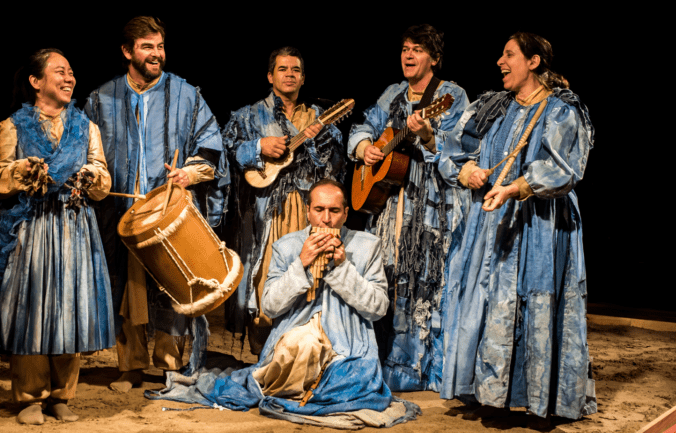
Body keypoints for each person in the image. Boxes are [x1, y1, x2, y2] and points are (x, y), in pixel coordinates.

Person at [146, 180, 420, 428]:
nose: (326, 220)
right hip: (297, 330)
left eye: (334, 211)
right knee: (297, 347)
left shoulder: (367, 245)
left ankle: (306, 382)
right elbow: (271, 306)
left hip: (347, 338)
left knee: (351, 379)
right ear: (307, 211)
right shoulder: (287, 246)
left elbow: (378, 308)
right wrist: (301, 264)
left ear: (346, 213)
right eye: (319, 209)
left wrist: (340, 269)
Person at [438, 32, 596, 422]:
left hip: (540, 225)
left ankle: (536, 395)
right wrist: (468, 171)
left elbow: (565, 167)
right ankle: (489, 391)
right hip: (492, 224)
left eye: (509, 55)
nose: (500, 62)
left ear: (534, 62)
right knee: (487, 298)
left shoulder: (561, 110)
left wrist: (516, 188)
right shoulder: (492, 106)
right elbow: (451, 149)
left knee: (531, 298)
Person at [83, 16, 229, 392]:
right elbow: (86, 152)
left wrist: (188, 174)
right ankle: (129, 365)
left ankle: (169, 362)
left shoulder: (186, 95)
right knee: (126, 288)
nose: (157, 54)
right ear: (127, 51)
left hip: (168, 211)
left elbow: (211, 147)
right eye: (148, 47)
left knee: (171, 284)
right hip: (121, 216)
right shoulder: (101, 99)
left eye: (160, 46)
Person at [0, 48, 114, 424]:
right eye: (60, 72)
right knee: (31, 312)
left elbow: (103, 182)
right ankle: (29, 397)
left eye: (71, 72)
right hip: (32, 229)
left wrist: (90, 176)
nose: (69, 78)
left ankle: (61, 395)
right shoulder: (12, 127)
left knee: (70, 309)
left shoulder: (87, 128)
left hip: (73, 228)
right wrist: (22, 168)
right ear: (36, 82)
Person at [347, 24, 469, 392]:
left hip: (431, 205)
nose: (408, 55)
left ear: (434, 57)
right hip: (389, 207)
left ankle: (426, 369)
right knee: (388, 276)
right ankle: (386, 361)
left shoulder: (451, 95)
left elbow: (461, 148)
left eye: (417, 49)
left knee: (426, 279)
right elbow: (361, 126)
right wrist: (364, 147)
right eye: (404, 49)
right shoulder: (393, 93)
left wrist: (429, 134)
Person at [222, 47, 345, 355]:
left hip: (307, 209)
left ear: (303, 78)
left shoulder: (318, 117)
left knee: (308, 272)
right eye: (282, 69)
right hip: (266, 210)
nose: (289, 74)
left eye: (295, 70)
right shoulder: (249, 115)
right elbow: (226, 154)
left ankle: (300, 348)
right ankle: (264, 349)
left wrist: (318, 141)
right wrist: (258, 145)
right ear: (270, 76)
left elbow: (335, 166)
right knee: (264, 275)